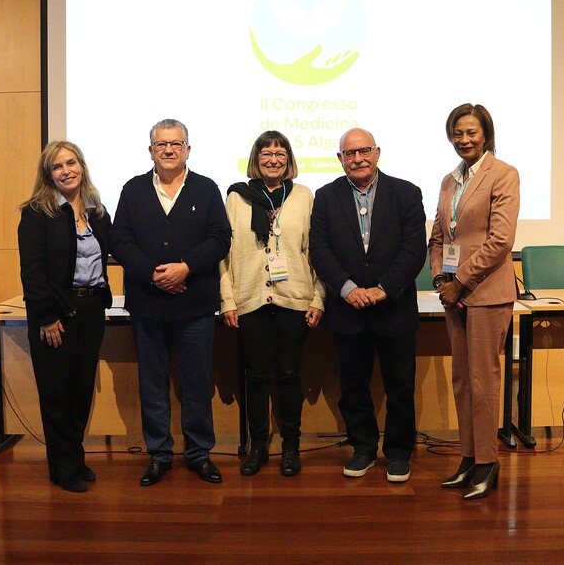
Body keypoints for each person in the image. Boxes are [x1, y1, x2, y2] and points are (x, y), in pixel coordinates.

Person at [110, 119, 231, 486]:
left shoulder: (206, 189)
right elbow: (120, 240)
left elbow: (220, 238)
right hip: (147, 305)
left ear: (187, 150)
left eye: (176, 144)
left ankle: (199, 454)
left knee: (197, 383)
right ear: (151, 150)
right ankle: (159, 454)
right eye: (161, 144)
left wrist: (186, 268)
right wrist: (153, 274)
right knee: (152, 383)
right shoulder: (133, 190)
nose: (168, 150)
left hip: (194, 306)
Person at [308, 128, 426, 483]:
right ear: (340, 158)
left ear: (377, 153)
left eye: (364, 151)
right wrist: (347, 289)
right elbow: (319, 250)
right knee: (353, 387)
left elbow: (413, 250)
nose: (357, 159)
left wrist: (382, 289)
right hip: (349, 310)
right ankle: (363, 448)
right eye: (350, 153)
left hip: (394, 308)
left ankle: (398, 453)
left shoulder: (406, 193)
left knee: (400, 388)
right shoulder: (325, 197)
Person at [220, 131, 325, 477]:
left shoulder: (304, 196)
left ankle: (291, 447)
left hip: (294, 299)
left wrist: (319, 297)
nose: (273, 159)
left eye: (280, 154)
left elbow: (315, 251)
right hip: (250, 300)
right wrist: (227, 299)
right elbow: (225, 255)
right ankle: (258, 447)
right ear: (256, 158)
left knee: (289, 373)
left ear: (289, 160)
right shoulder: (237, 197)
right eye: (266, 153)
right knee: (255, 375)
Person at [429, 103, 520, 500]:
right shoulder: (450, 180)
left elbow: (501, 240)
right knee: (463, 380)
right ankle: (468, 457)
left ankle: (488, 462)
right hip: (455, 296)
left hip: (486, 294)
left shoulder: (503, 174)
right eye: (458, 133)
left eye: (471, 132)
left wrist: (461, 282)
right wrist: (440, 277)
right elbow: (438, 237)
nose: (464, 140)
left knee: (483, 381)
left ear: (486, 135)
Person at [17, 141, 113, 493]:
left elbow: (114, 251)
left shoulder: (97, 211)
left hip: (91, 311)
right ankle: (62, 467)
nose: (66, 171)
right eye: (57, 167)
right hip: (55, 314)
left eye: (71, 163)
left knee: (80, 391)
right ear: (48, 175)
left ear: (82, 167)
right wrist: (46, 317)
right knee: (57, 394)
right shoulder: (36, 214)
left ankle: (74, 457)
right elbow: (32, 271)